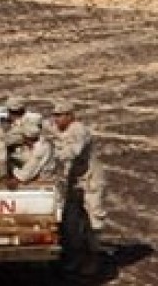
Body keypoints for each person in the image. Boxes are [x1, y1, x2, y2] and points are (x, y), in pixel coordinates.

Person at [49, 100, 105, 275]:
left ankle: (93, 259)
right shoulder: (57, 129)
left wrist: (51, 158)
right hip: (73, 182)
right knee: (70, 222)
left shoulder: (79, 130)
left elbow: (74, 151)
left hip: (90, 182)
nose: (56, 119)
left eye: (60, 116)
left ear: (70, 116)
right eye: (55, 116)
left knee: (93, 221)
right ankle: (75, 257)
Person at [10, 113, 56, 185]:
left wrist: (13, 179)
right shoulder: (37, 144)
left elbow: (26, 174)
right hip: (35, 177)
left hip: (42, 181)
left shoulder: (41, 147)